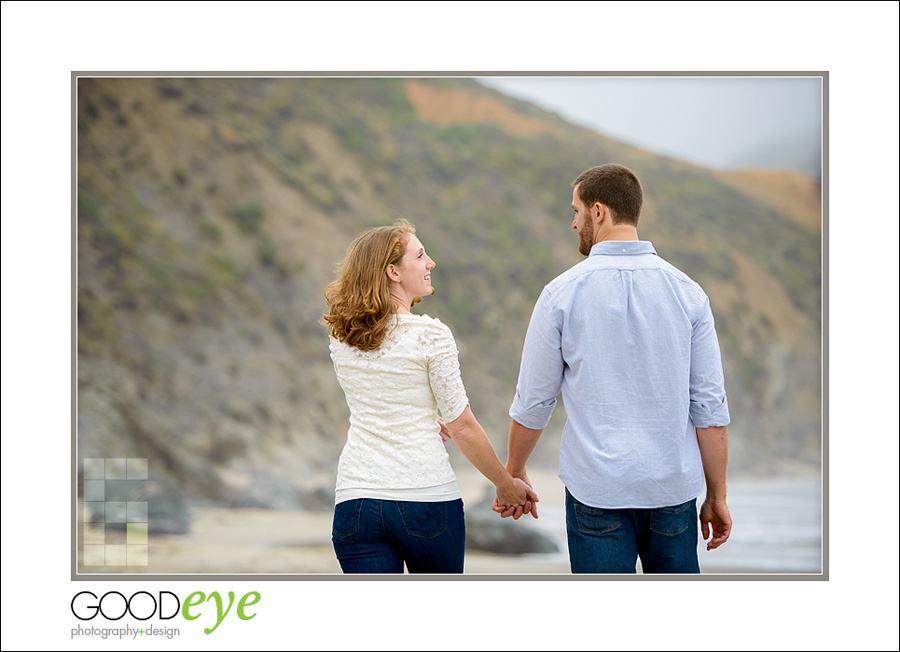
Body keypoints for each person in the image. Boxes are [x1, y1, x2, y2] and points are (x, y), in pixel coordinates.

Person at [495, 164, 732, 574]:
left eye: (576, 210)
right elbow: (709, 407)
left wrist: (514, 473)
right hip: (671, 492)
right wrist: (717, 495)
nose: (573, 223)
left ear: (599, 211)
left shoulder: (560, 294)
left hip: (596, 490)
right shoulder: (689, 293)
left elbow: (535, 400)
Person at [324, 218, 537, 574]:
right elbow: (464, 426)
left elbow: (383, 394)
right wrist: (505, 484)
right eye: (420, 255)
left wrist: (423, 417)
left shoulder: (341, 336)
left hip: (356, 500)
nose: (430, 263)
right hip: (424, 499)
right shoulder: (430, 335)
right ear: (393, 271)